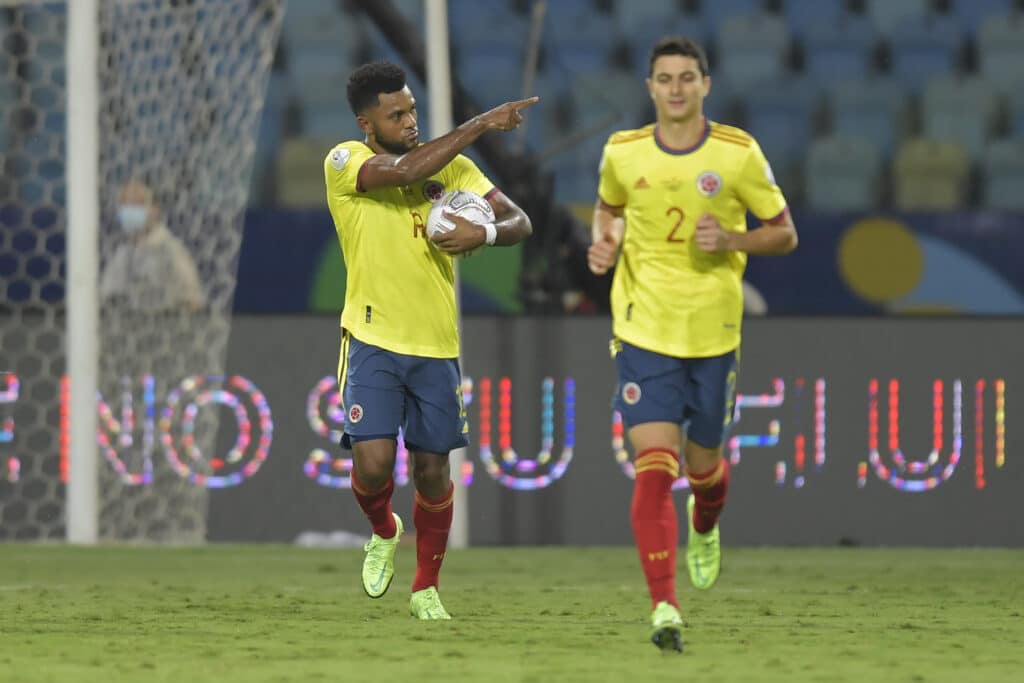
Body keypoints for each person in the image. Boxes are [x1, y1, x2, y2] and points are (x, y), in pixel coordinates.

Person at [587, 37, 798, 652]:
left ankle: (705, 523)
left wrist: (733, 239)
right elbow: (608, 211)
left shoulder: (737, 154)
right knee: (656, 467)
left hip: (712, 331)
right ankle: (664, 607)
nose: (675, 88)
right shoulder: (622, 152)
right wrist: (604, 242)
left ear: (706, 84)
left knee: (704, 468)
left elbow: (783, 234)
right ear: (649, 87)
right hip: (642, 327)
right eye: (664, 78)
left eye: (686, 78)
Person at [324, 62, 536, 620]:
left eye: (413, 109)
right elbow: (405, 171)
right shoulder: (345, 161)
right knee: (372, 464)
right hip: (371, 337)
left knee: (433, 471)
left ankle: (425, 590)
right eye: (396, 114)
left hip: (436, 346)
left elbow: (521, 222)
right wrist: (482, 124)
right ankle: (383, 528)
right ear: (366, 124)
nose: (410, 120)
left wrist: (484, 231)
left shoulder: (458, 172)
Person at [100, 179, 206, 312]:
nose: (129, 211)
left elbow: (195, 301)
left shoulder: (172, 250)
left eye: (137, 204)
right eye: (124, 204)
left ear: (155, 210)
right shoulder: (122, 253)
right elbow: (106, 297)